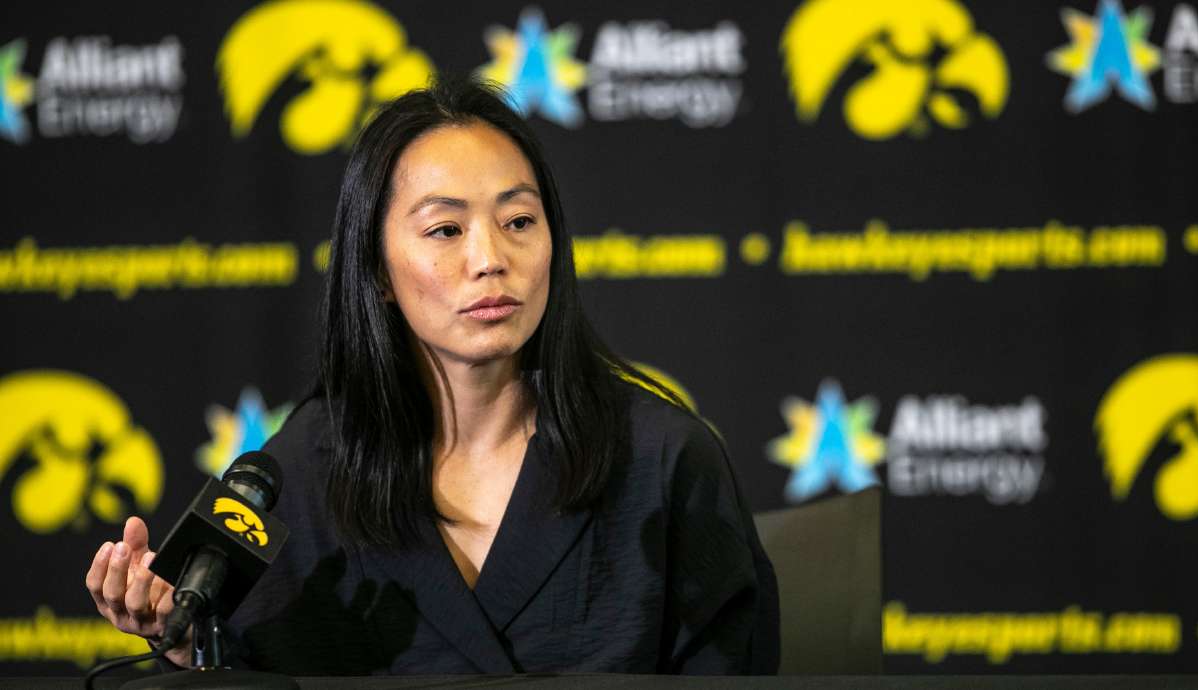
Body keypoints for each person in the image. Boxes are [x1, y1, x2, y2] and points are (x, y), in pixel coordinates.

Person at [84, 76, 780, 675]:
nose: (489, 258)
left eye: (518, 220)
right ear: (378, 271)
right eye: (446, 231)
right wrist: (185, 645)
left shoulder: (663, 459)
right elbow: (259, 668)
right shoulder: (304, 467)